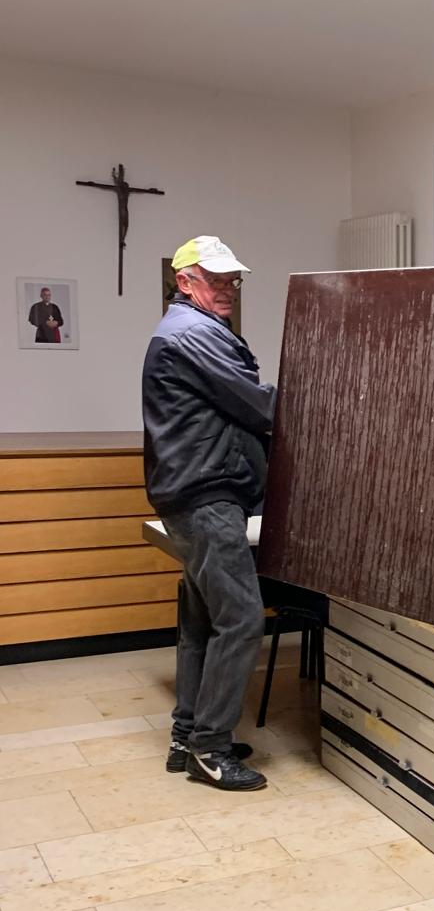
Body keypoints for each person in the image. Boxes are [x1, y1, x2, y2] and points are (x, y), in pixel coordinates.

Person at [142, 236, 276, 792]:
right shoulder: (193, 334)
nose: (227, 289)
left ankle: (187, 737)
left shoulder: (188, 329)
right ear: (185, 281)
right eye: (215, 279)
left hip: (194, 493)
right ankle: (210, 749)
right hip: (206, 496)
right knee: (241, 619)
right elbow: (255, 404)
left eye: (232, 280)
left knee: (203, 622)